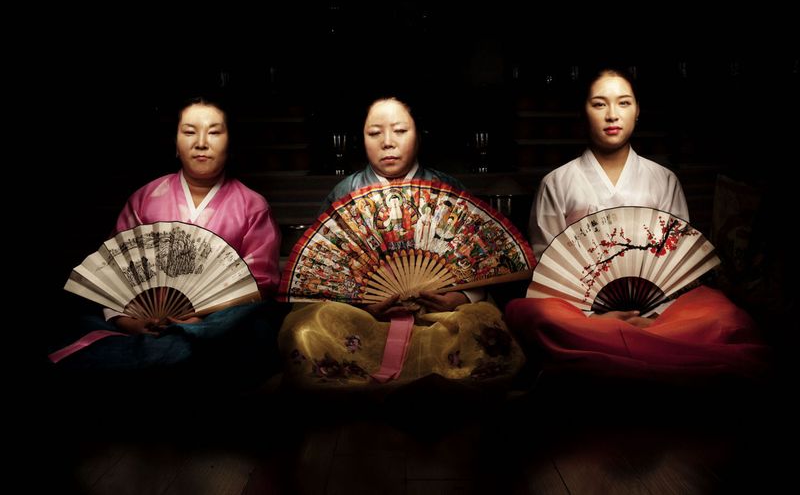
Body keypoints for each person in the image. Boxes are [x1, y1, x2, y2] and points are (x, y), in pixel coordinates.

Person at [504, 68, 769, 380]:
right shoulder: (557, 182)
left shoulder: (663, 179)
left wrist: (656, 314)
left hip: (662, 312)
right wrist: (592, 318)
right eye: (599, 104)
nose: (612, 115)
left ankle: (634, 340)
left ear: (638, 111)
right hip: (581, 318)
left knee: (722, 312)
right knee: (533, 312)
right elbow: (548, 270)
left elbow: (680, 263)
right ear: (584, 112)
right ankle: (637, 344)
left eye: (624, 103)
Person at [279, 96, 525, 387]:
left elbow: (482, 262)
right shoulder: (343, 193)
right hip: (363, 316)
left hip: (441, 312)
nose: (387, 142)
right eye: (374, 133)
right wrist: (361, 305)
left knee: (486, 327)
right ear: (362, 139)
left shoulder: (447, 189)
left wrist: (462, 297)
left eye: (400, 130)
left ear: (419, 137)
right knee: (307, 328)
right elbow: (322, 274)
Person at [49, 96, 284, 388]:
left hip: (214, 324)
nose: (201, 142)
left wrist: (200, 319)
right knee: (78, 314)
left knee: (254, 319)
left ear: (230, 142)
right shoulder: (145, 198)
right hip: (142, 321)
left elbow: (259, 284)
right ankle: (169, 353)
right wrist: (126, 321)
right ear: (175, 143)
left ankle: (161, 354)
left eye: (214, 132)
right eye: (189, 131)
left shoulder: (252, 205)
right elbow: (113, 272)